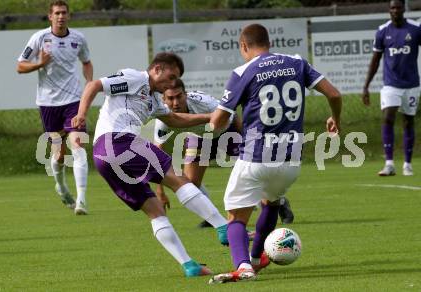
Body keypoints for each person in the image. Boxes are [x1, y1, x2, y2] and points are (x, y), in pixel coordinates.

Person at [71, 52, 230, 277]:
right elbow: (95, 85)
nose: (172, 82)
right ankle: (224, 228)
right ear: (156, 69)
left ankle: (189, 266)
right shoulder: (135, 78)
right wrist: (81, 115)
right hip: (118, 141)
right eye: (171, 75)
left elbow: (175, 119)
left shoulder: (155, 99)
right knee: (177, 178)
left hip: (103, 157)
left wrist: (209, 116)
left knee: (154, 210)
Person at [208, 23, 342, 283]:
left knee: (236, 217)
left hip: (255, 156)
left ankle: (244, 266)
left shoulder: (243, 71)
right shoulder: (296, 62)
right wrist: (335, 118)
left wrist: (206, 124)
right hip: (290, 160)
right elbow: (334, 94)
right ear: (268, 42)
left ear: (244, 46)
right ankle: (257, 258)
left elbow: (217, 122)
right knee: (272, 201)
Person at [154, 80, 295, 227]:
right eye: (170, 98)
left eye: (179, 96)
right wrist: (160, 192)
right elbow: (157, 154)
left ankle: (280, 201)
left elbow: (231, 115)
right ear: (164, 100)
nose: (175, 102)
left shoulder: (204, 103)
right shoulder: (163, 118)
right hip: (200, 138)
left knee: (252, 171)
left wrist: (247, 140)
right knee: (190, 184)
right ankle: (214, 218)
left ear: (186, 94)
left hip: (227, 130)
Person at [17, 0, 93, 215]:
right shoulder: (40, 38)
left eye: (64, 13)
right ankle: (60, 186)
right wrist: (40, 64)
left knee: (78, 146)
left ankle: (82, 200)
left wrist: (89, 83)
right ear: (50, 17)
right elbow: (20, 65)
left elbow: (86, 62)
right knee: (59, 154)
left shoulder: (78, 38)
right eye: (57, 13)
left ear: (69, 16)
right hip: (48, 103)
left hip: (73, 102)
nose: (61, 16)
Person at [362, 0, 420, 176]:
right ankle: (389, 163)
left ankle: (407, 164)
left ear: (404, 9)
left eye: (398, 7)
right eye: (392, 8)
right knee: (388, 117)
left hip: (411, 84)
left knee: (408, 121)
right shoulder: (382, 31)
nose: (395, 10)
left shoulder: (415, 29)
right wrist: (366, 86)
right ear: (389, 10)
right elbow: (375, 60)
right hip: (391, 84)